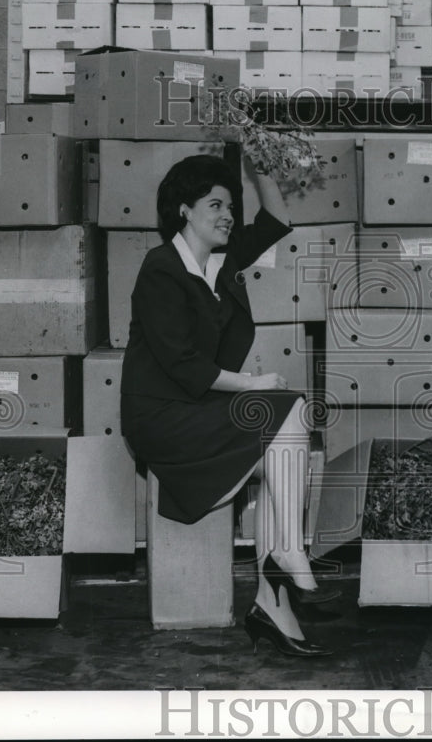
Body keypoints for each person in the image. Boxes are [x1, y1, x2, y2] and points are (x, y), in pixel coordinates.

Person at [120, 152, 333, 657]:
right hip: (162, 416)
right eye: (215, 205)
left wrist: (260, 162)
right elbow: (183, 364)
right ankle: (283, 564)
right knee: (285, 413)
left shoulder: (222, 259)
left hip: (199, 408)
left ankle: (273, 597)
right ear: (184, 211)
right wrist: (250, 383)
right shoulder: (161, 270)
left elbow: (278, 219)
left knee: (287, 431)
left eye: (231, 206)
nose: (227, 215)